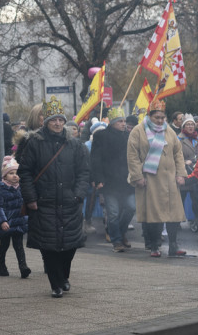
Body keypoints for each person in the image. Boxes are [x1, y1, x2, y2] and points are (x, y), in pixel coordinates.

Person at [17, 105, 90, 297]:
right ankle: (55, 284)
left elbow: (84, 172)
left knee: (70, 245)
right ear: (46, 122)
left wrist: (78, 194)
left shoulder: (75, 145)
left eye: (60, 120)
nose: (57, 123)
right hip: (43, 202)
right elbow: (24, 172)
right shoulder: (34, 143)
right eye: (53, 120)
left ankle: (63, 276)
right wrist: (31, 198)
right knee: (48, 245)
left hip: (69, 201)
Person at [127, 100, 188, 258]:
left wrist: (181, 173)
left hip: (170, 180)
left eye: (162, 117)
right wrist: (137, 176)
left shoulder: (169, 131)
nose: (160, 120)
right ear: (150, 116)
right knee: (155, 215)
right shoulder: (138, 131)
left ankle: (174, 245)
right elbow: (132, 157)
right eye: (157, 117)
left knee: (174, 214)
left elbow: (178, 154)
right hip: (150, 179)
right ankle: (154, 245)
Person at [90, 108, 135, 252]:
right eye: (120, 121)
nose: (123, 124)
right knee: (113, 213)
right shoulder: (101, 136)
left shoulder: (129, 136)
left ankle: (121, 232)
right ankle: (116, 241)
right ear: (113, 122)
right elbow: (95, 159)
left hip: (127, 181)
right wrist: (98, 179)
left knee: (131, 207)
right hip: (109, 181)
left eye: (124, 121)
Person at [0, 155, 31, 277]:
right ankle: (1, 266)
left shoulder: (21, 188)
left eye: (17, 173)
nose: (15, 175)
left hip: (18, 222)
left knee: (19, 245)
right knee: (4, 245)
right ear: (5, 176)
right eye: (11, 173)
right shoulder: (0, 189)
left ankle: (23, 267)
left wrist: (26, 219)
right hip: (5, 223)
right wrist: (2, 221)